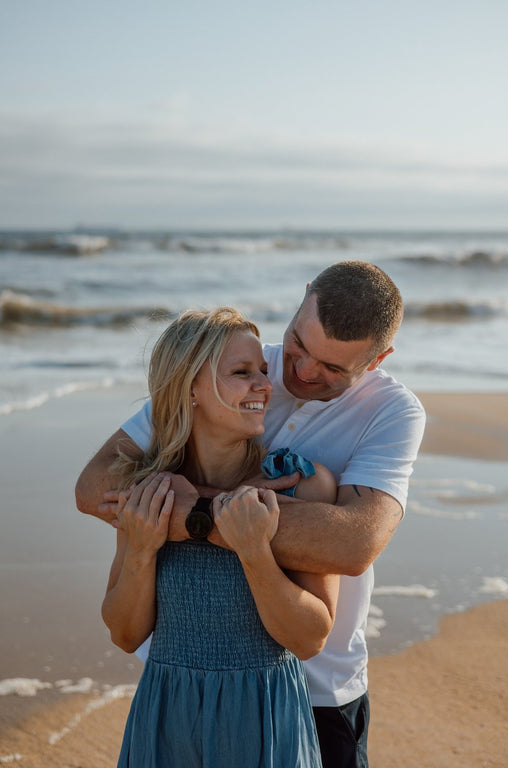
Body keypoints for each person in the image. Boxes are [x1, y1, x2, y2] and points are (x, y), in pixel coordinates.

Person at [76, 260, 426, 768]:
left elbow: (352, 545)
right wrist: (215, 512)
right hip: (177, 688)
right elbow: (96, 486)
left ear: (378, 359)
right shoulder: (225, 364)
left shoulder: (391, 413)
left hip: (319, 688)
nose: (300, 373)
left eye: (333, 369)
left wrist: (204, 514)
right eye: (299, 346)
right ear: (303, 298)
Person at [102, 306, 339, 767]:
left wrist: (253, 551)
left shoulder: (300, 484)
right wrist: (143, 548)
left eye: (263, 373)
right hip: (168, 715)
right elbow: (125, 634)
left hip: (265, 717)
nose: (265, 386)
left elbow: (311, 639)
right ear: (190, 387)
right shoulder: (149, 487)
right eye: (242, 372)